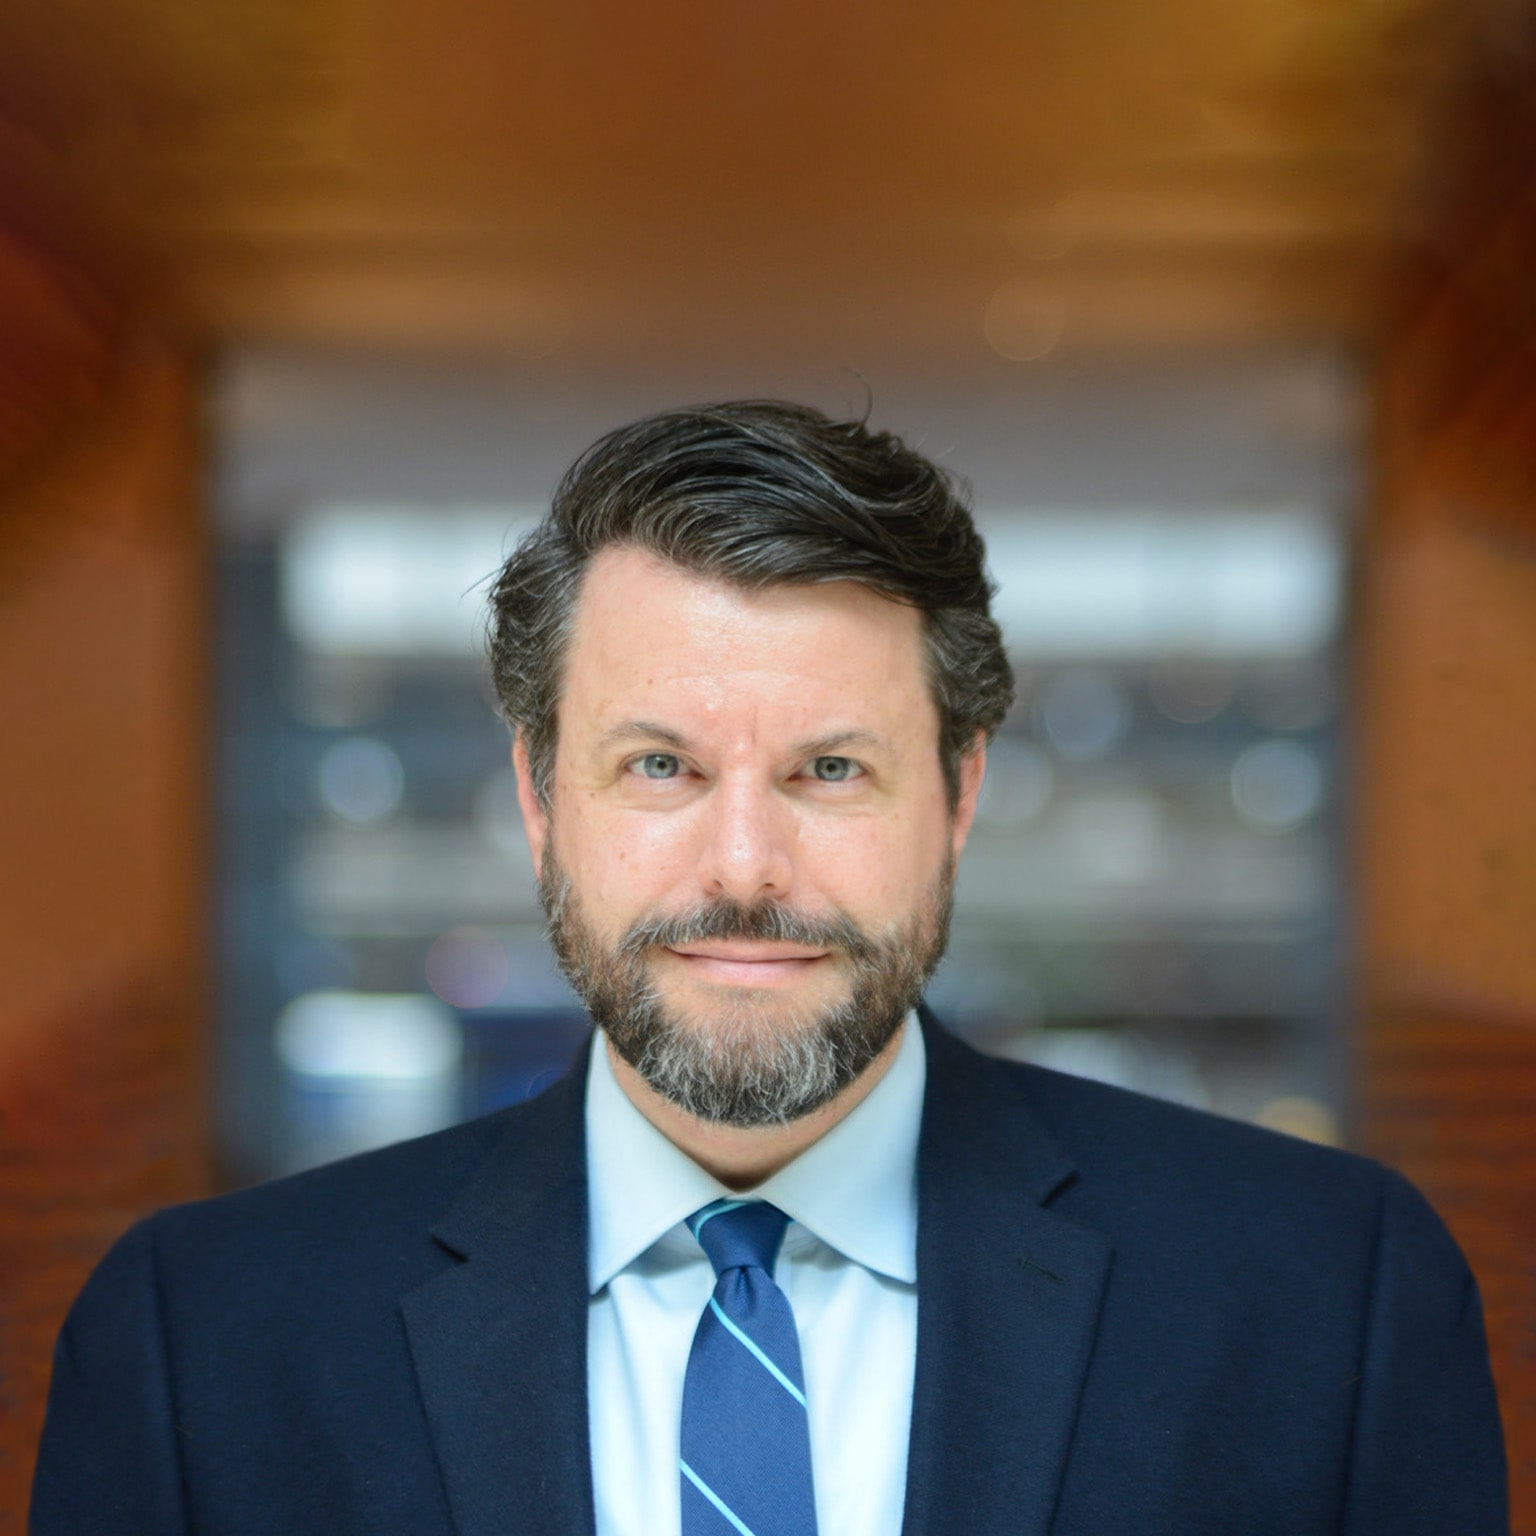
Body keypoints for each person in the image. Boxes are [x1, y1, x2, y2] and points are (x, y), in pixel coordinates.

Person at [33, 401, 1506, 1535]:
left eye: (831, 769)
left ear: (961, 794)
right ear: (544, 797)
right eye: (660, 765)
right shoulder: (199, 1348)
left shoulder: (1328, 1303)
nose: (745, 866)